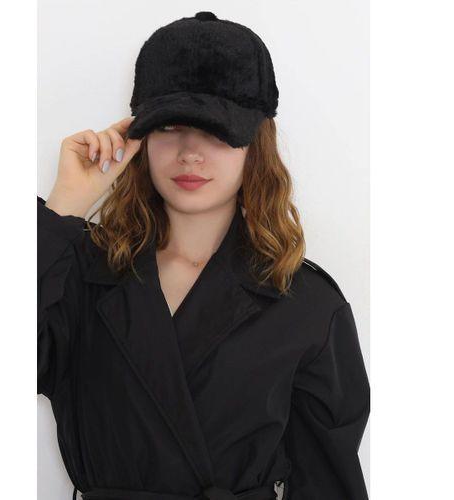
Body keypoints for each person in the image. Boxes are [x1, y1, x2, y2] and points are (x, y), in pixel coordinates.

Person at [38, 11, 370, 500]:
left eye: (216, 130)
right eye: (169, 126)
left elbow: (328, 486)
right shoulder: (79, 271)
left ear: (254, 145)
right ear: (139, 138)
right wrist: (62, 209)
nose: (190, 152)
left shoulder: (308, 304)